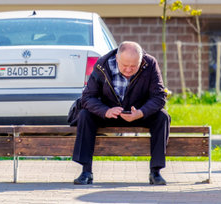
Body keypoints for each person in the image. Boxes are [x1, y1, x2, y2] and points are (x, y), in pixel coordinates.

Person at [72, 41, 170, 185]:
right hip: (109, 113)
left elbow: (159, 96)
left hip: (138, 113)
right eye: (124, 65)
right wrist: (105, 111)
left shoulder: (150, 64)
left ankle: (155, 172)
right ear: (117, 59)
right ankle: (86, 172)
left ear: (141, 61)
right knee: (85, 115)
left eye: (133, 66)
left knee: (163, 117)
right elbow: (88, 97)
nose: (129, 70)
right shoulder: (102, 64)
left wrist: (141, 112)